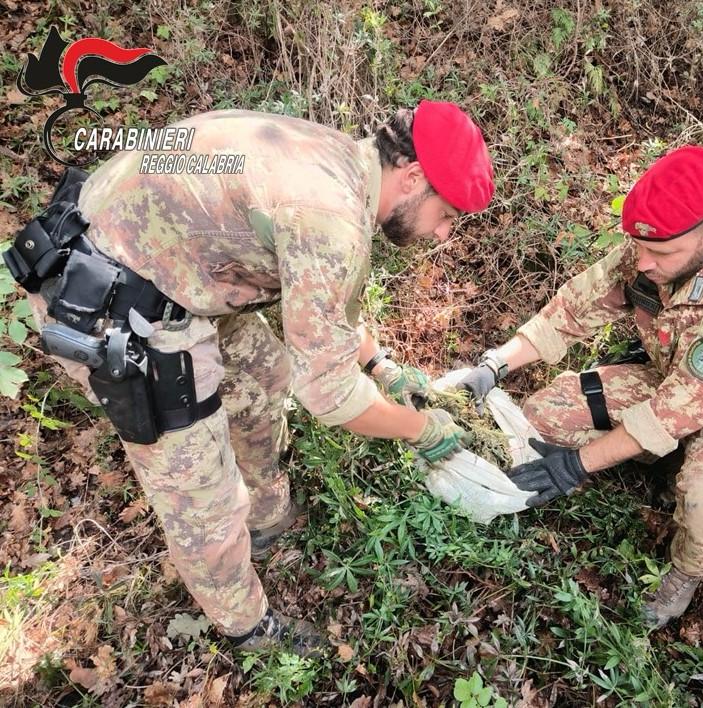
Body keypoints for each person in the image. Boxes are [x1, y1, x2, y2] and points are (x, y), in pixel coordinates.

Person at [4, 100, 494, 654]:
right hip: (112, 301)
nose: (444, 234)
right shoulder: (329, 216)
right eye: (448, 215)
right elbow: (328, 394)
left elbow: (330, 309)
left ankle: (268, 512)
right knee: (203, 500)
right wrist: (419, 429)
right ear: (412, 179)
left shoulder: (340, 161)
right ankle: (246, 627)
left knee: (267, 376)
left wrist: (382, 368)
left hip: (174, 269)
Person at [457, 145, 703, 629]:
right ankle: (664, 458)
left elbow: (683, 407)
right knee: (543, 414)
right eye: (638, 247)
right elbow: (572, 310)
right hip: (670, 381)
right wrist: (493, 365)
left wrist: (576, 465)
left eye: (658, 253)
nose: (642, 263)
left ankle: (686, 572)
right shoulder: (653, 251)